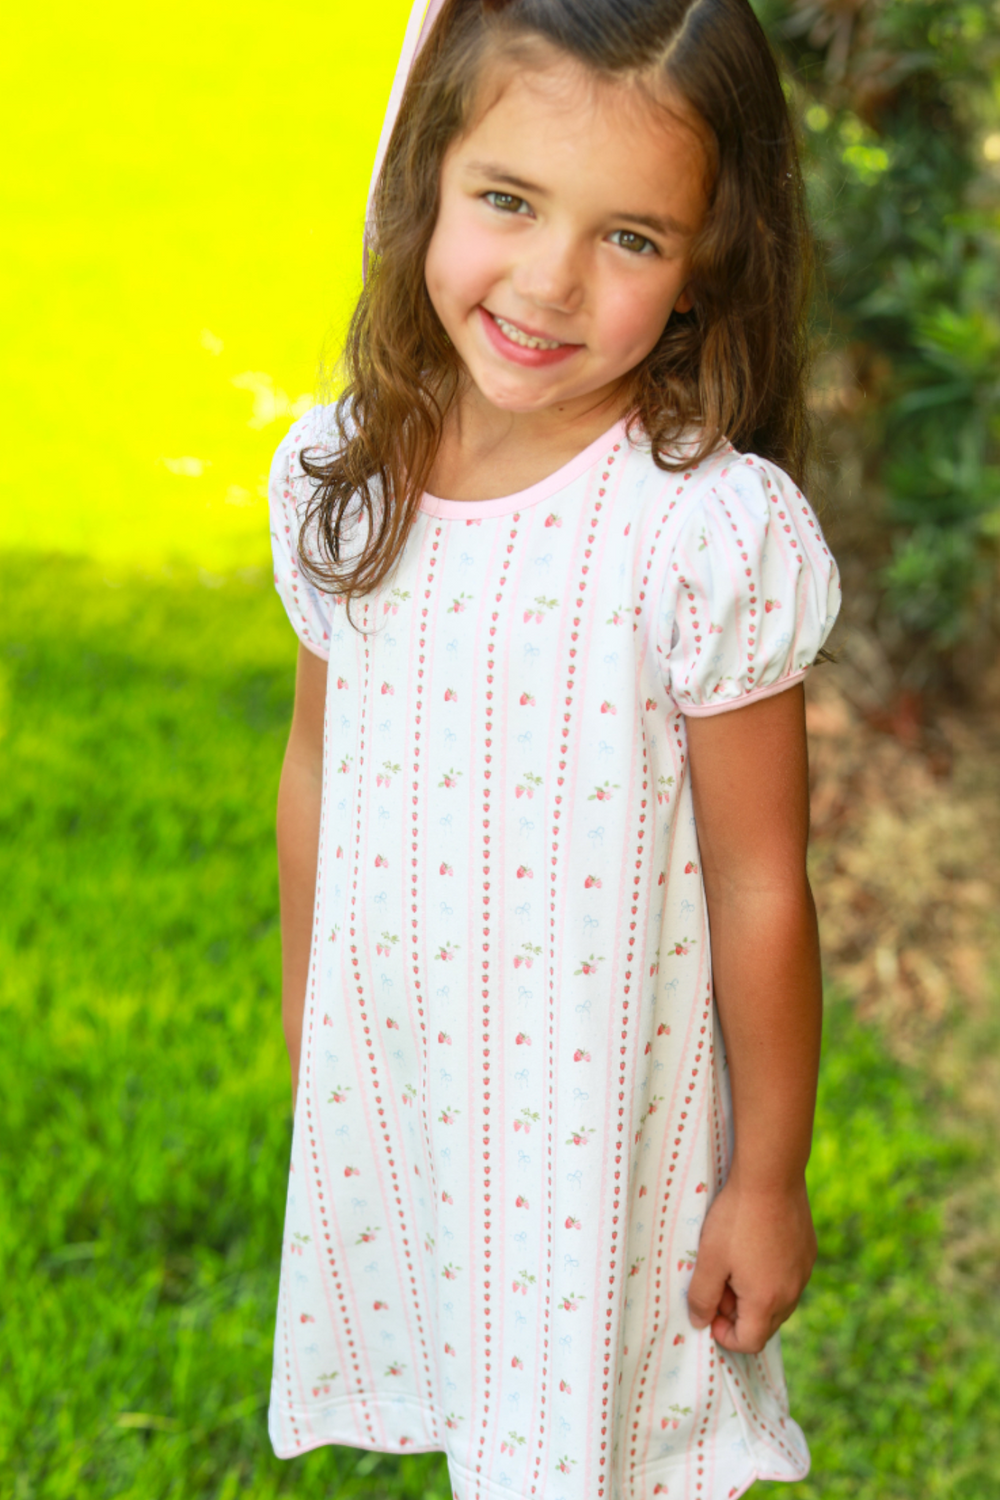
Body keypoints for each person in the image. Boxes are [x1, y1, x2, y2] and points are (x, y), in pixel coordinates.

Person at [267, 1, 841, 1495]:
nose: (550, 281)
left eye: (632, 239)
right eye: (508, 202)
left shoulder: (700, 532)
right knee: (479, 1417)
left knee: (603, 1452)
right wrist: (311, 1049)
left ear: (711, 263)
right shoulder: (345, 478)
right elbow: (319, 777)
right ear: (425, 180)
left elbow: (763, 880)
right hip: (419, 1082)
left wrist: (765, 1177)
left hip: (607, 1128)